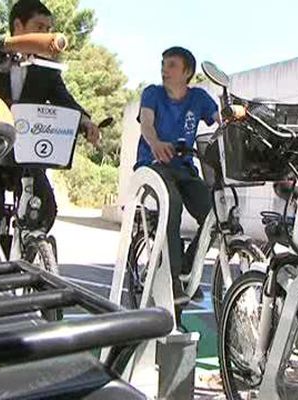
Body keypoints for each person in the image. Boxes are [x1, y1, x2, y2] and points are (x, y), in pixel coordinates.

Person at [0, 0, 100, 264]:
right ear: (17, 27)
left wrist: (86, 122)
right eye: (39, 27)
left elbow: (64, 100)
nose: (46, 35)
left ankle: (27, 255)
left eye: (49, 29)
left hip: (23, 155)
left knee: (47, 207)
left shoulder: (46, 72)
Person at [136, 46, 219, 315]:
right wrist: (156, 143)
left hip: (184, 167)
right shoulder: (152, 93)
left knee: (215, 215)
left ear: (187, 73)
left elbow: (221, 121)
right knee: (171, 203)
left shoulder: (199, 98)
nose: (164, 70)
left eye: (171, 65)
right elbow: (146, 124)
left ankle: (186, 268)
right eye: (163, 64)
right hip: (153, 165)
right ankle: (171, 281)